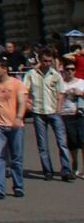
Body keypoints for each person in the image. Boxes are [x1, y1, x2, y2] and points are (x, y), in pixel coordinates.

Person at [26, 50, 74, 182]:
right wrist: (28, 105)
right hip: (38, 112)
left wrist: (58, 108)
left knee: (62, 142)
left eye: (50, 61)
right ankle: (48, 171)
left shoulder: (56, 75)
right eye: (45, 61)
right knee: (42, 144)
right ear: (40, 61)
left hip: (53, 111)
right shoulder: (32, 74)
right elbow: (25, 91)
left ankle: (66, 170)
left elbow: (61, 93)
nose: (48, 64)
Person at [0, 59, 30, 199]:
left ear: (4, 69)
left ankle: (18, 186)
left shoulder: (17, 84)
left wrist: (19, 117)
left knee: (16, 158)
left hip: (15, 126)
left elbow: (22, 102)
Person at [59, 59, 84, 175]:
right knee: (72, 142)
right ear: (63, 70)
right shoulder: (61, 83)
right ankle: (75, 164)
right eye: (67, 69)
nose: (70, 72)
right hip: (66, 115)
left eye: (72, 69)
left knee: (83, 141)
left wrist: (81, 93)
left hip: (80, 114)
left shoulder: (81, 82)